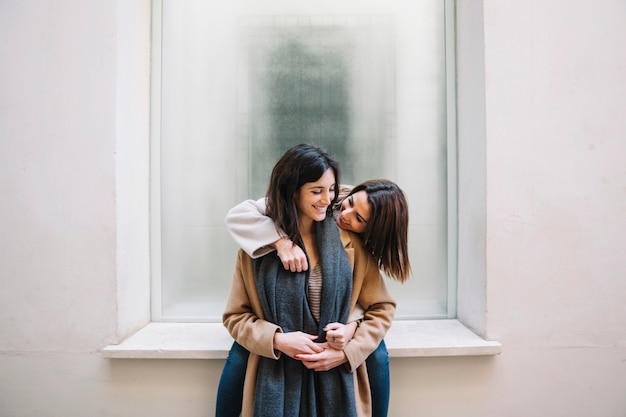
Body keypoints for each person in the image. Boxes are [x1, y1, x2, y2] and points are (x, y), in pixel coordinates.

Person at [221, 144, 396, 417]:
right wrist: (278, 340)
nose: (328, 201)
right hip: (276, 368)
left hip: (336, 369)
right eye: (316, 191)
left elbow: (381, 309)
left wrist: (345, 350)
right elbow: (235, 317)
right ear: (292, 190)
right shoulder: (257, 246)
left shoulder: (351, 245)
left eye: (331, 190)